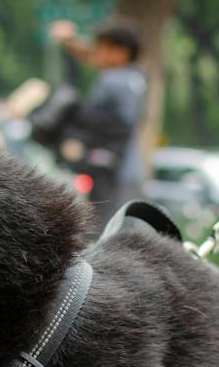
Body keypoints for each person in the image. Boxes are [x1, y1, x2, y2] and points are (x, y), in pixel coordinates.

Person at [45, 17, 148, 227]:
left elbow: (113, 123)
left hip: (113, 173)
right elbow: (90, 56)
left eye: (102, 48)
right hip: (129, 169)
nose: (96, 53)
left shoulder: (113, 80)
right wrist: (70, 42)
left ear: (121, 52)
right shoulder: (134, 77)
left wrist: (71, 111)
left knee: (108, 235)